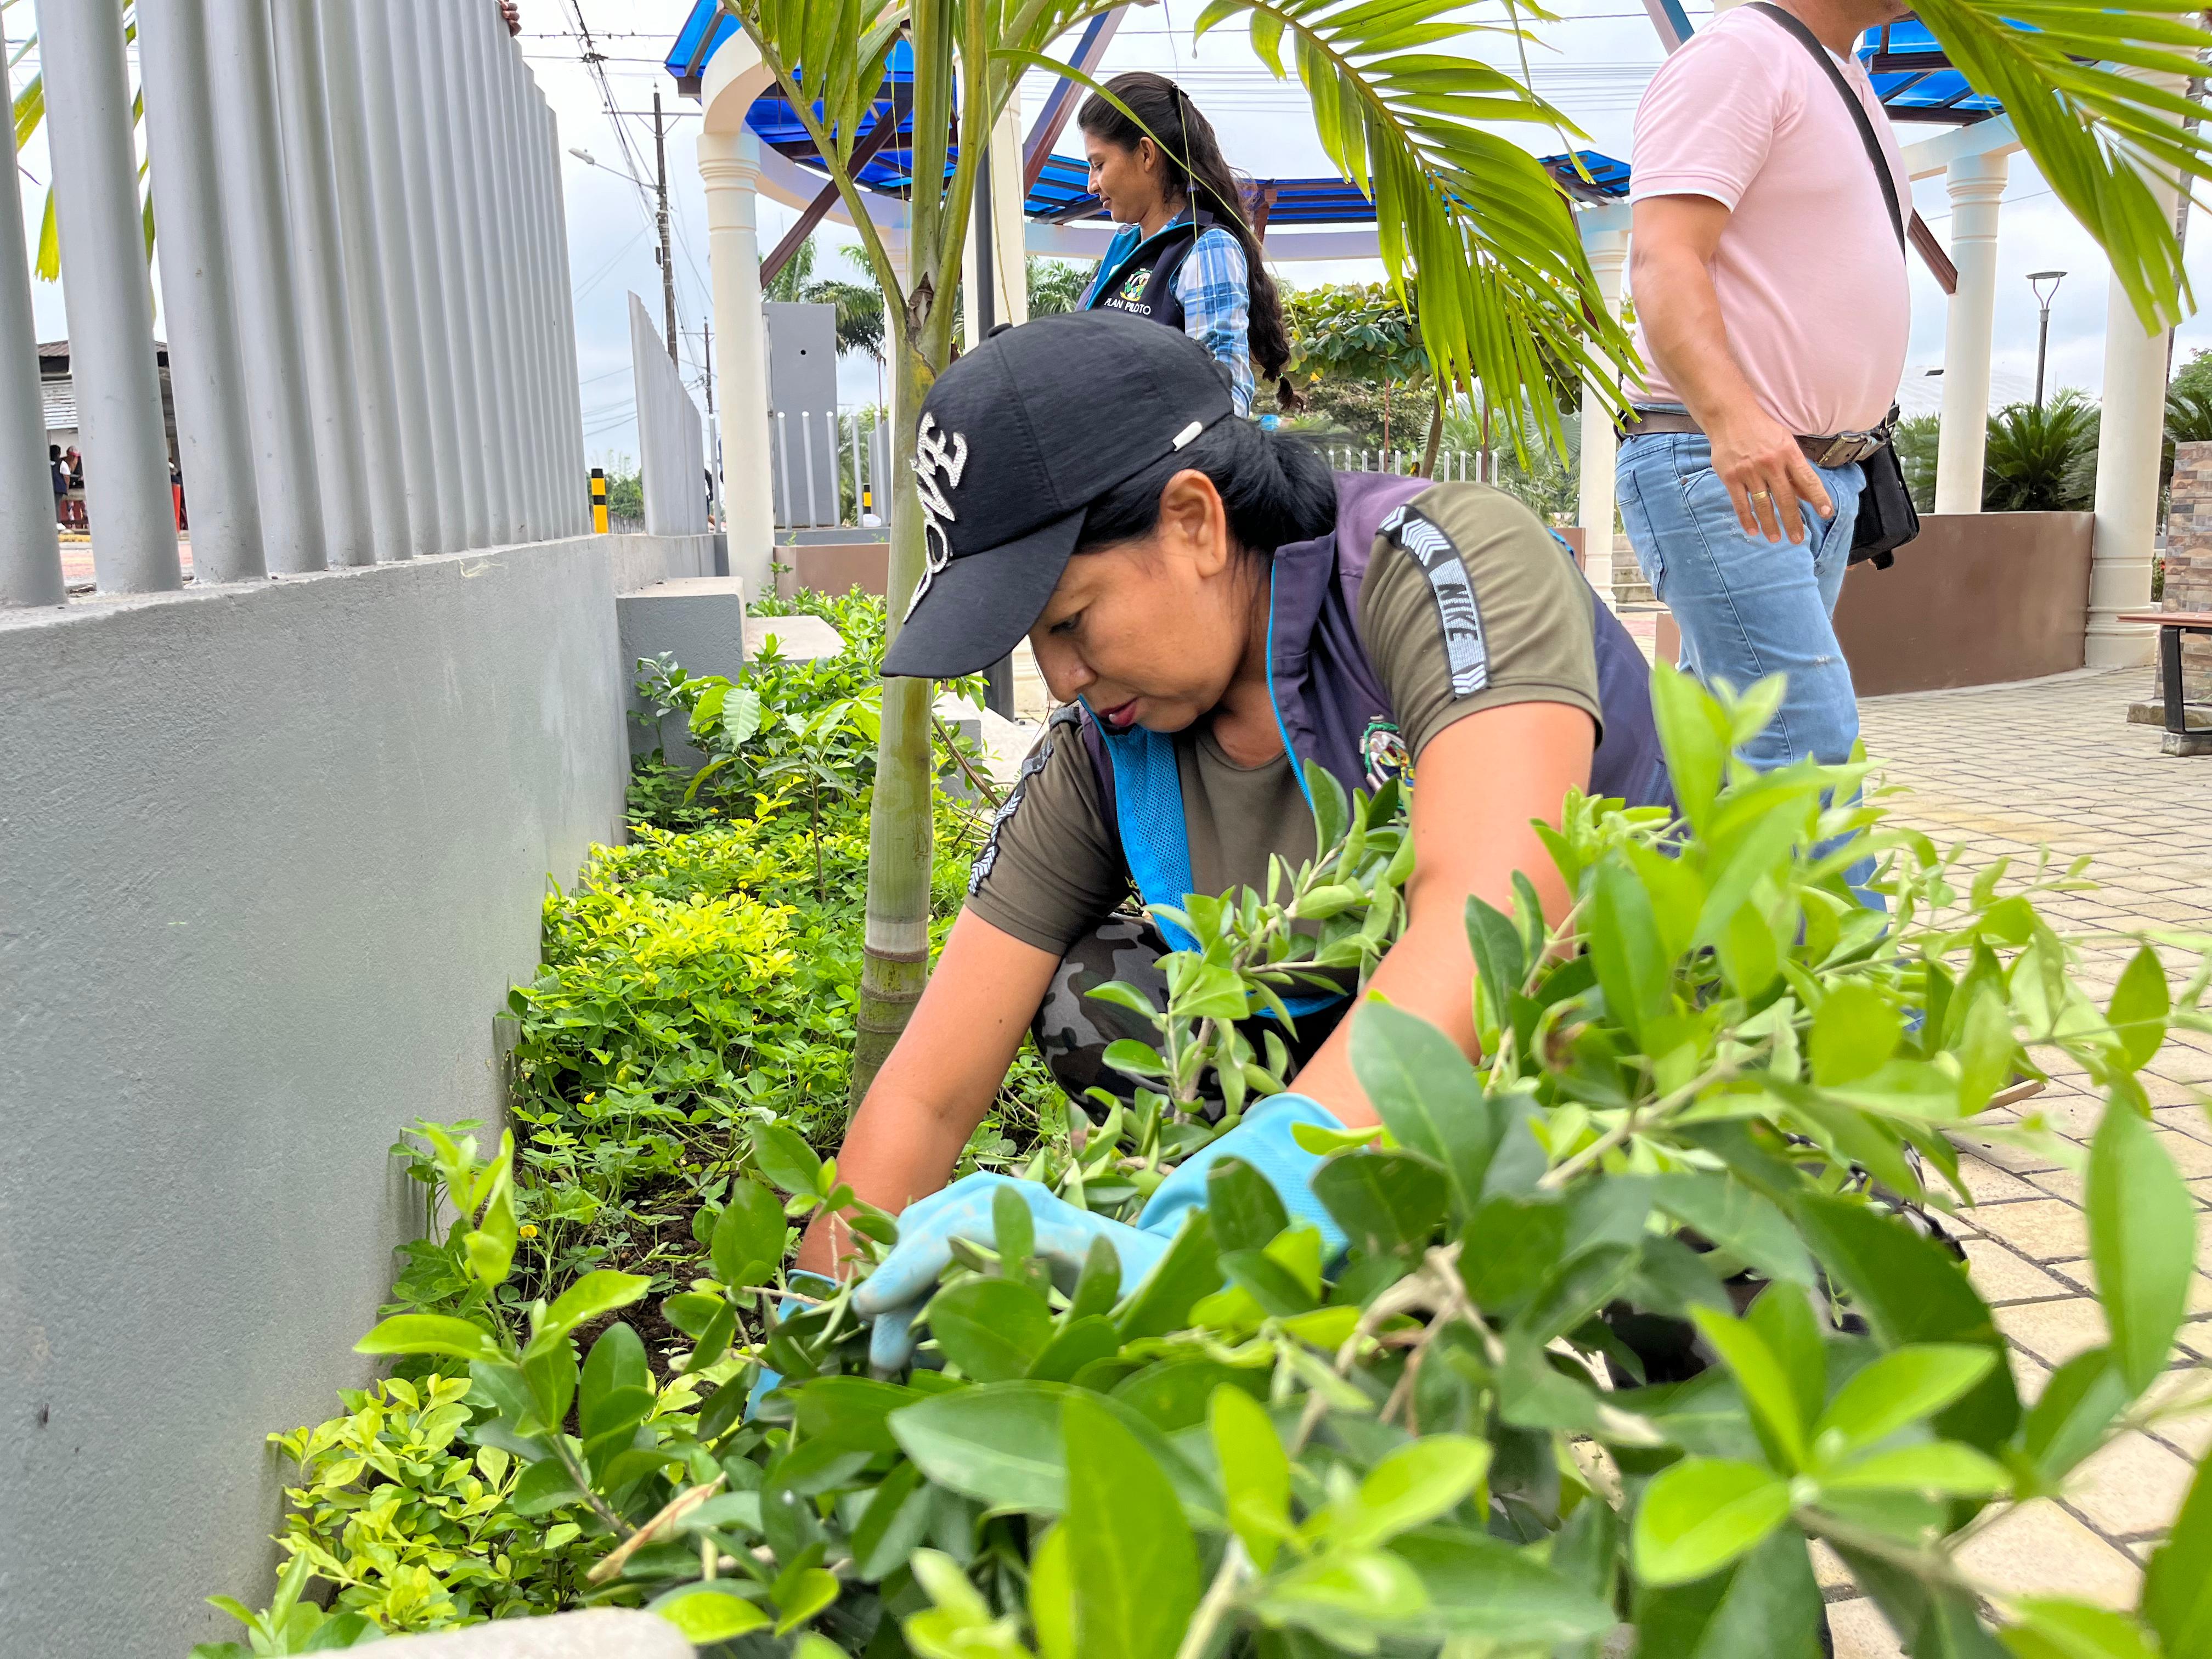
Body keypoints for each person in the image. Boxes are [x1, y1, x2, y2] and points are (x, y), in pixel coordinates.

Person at [792, 311, 1673, 1359]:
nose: (1061, 678)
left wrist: (1202, 1234)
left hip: (1627, 1055)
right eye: (1036, 642)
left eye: (1070, 620)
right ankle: (1338, 1323)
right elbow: (926, 1094)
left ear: (1195, 522)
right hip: (1362, 1099)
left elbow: (1494, 925)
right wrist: (810, 1345)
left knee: (1695, 1326)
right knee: (1095, 989)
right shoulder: (1104, 746)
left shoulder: (1442, 565)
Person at [1615, 0, 1909, 788]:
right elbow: (1664, 258)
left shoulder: (1844, 78)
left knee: (1718, 753)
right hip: (1724, 460)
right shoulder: (1741, 55)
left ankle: (1626, 870)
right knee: (1803, 749)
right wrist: (1733, 421)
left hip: (1809, 472)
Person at [1075, 71, 1293, 419]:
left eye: (1098, 165)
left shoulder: (1206, 249)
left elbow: (1224, 397)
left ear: (1146, 154)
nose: (1091, 184)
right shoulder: (1125, 247)